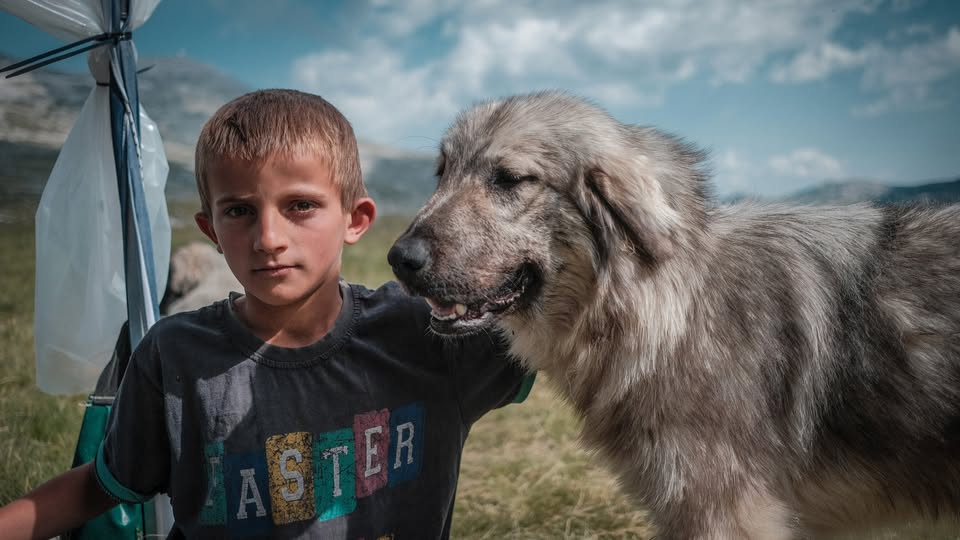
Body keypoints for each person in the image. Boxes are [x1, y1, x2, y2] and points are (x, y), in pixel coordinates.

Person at [0, 89, 534, 539]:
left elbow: (579, 329)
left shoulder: (428, 336)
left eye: (300, 205)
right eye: (239, 211)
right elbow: (102, 484)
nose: (269, 239)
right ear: (211, 230)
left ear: (356, 218)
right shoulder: (175, 355)